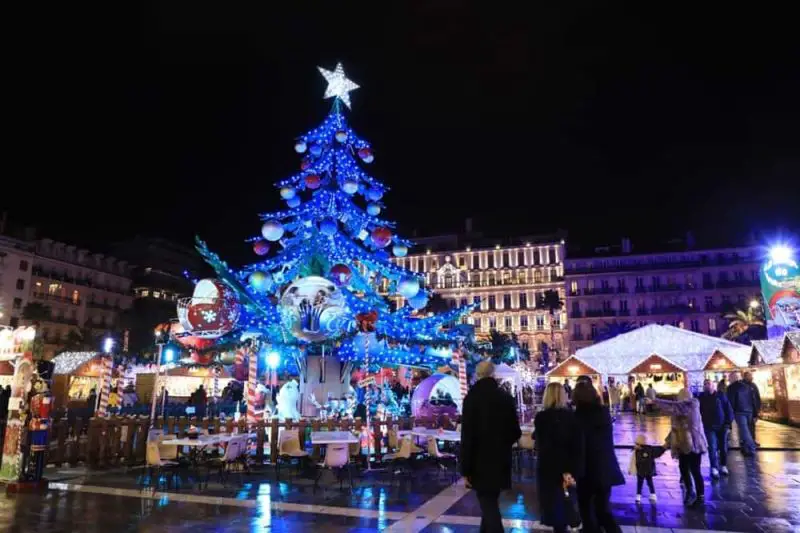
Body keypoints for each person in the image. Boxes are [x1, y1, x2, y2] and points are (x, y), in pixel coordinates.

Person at [461, 361, 521, 533]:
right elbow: (515, 432)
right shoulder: (505, 398)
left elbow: (467, 436)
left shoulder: (471, 399)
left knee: (488, 504)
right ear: (493, 375)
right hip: (500, 459)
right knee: (490, 501)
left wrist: (465, 469)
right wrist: (502, 444)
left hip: (478, 462)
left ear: (478, 376)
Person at [572, 381, 624, 533]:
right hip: (606, 467)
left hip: (586, 469)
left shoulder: (577, 418)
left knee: (586, 508)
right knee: (603, 509)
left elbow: (578, 445)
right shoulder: (604, 413)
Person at [533, 382, 582, 533]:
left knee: (554, 507)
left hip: (548, 467)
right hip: (567, 467)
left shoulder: (541, 418)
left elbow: (542, 443)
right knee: (567, 502)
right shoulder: (572, 417)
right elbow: (576, 445)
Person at [653, 388, 708, 506]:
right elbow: (674, 429)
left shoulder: (693, 405)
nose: (680, 399)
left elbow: (677, 407)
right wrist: (666, 444)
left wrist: (655, 401)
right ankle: (689, 491)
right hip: (682, 445)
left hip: (694, 444)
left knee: (695, 470)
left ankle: (700, 496)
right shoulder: (677, 411)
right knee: (683, 468)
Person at [699, 379, 734, 478]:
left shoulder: (721, 396)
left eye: (708, 384)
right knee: (712, 447)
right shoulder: (701, 397)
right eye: (705, 384)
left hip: (722, 426)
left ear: (713, 385)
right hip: (709, 427)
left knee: (723, 447)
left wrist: (728, 424)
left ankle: (723, 465)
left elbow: (728, 409)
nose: (706, 386)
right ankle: (714, 467)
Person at [628, 434, 667, 503]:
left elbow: (632, 462)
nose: (636, 445)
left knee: (641, 483)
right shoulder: (648, 449)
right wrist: (663, 448)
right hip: (648, 470)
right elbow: (658, 452)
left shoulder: (637, 451)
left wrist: (630, 470)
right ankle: (652, 495)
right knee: (649, 482)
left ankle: (639, 496)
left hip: (641, 470)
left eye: (637, 443)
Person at [727, 372, 756, 456]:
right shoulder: (747, 386)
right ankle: (746, 449)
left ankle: (751, 448)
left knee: (744, 431)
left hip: (739, 411)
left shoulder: (731, 388)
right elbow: (753, 399)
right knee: (747, 430)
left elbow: (731, 401)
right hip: (749, 411)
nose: (728, 380)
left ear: (733, 378)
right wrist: (754, 413)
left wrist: (730, 414)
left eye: (730, 378)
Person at [743, 372, 762, 447]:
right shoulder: (742, 386)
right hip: (745, 410)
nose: (751, 377)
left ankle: (752, 440)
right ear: (745, 377)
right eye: (749, 376)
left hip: (753, 409)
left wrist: (758, 408)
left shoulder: (753, 385)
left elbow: (757, 396)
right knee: (745, 426)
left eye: (751, 376)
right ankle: (746, 442)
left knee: (752, 426)